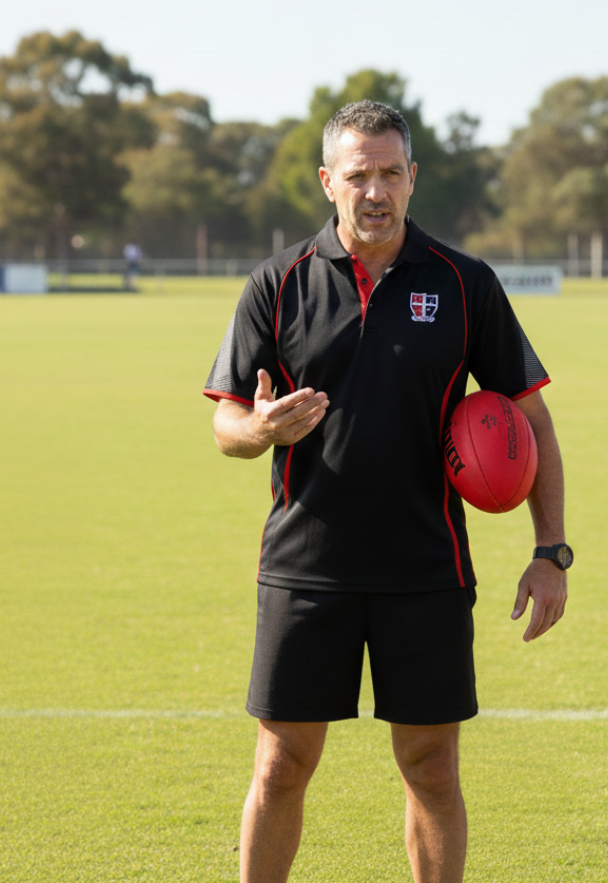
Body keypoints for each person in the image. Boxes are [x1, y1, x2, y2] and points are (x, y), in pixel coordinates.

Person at [203, 101, 570, 883]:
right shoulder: (278, 282)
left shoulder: (466, 284)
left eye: (390, 173)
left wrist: (551, 551)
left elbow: (532, 422)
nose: (376, 191)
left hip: (426, 570)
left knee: (432, 768)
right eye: (359, 174)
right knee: (279, 765)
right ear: (328, 181)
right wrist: (262, 429)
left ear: (413, 180)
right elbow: (226, 423)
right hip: (306, 568)